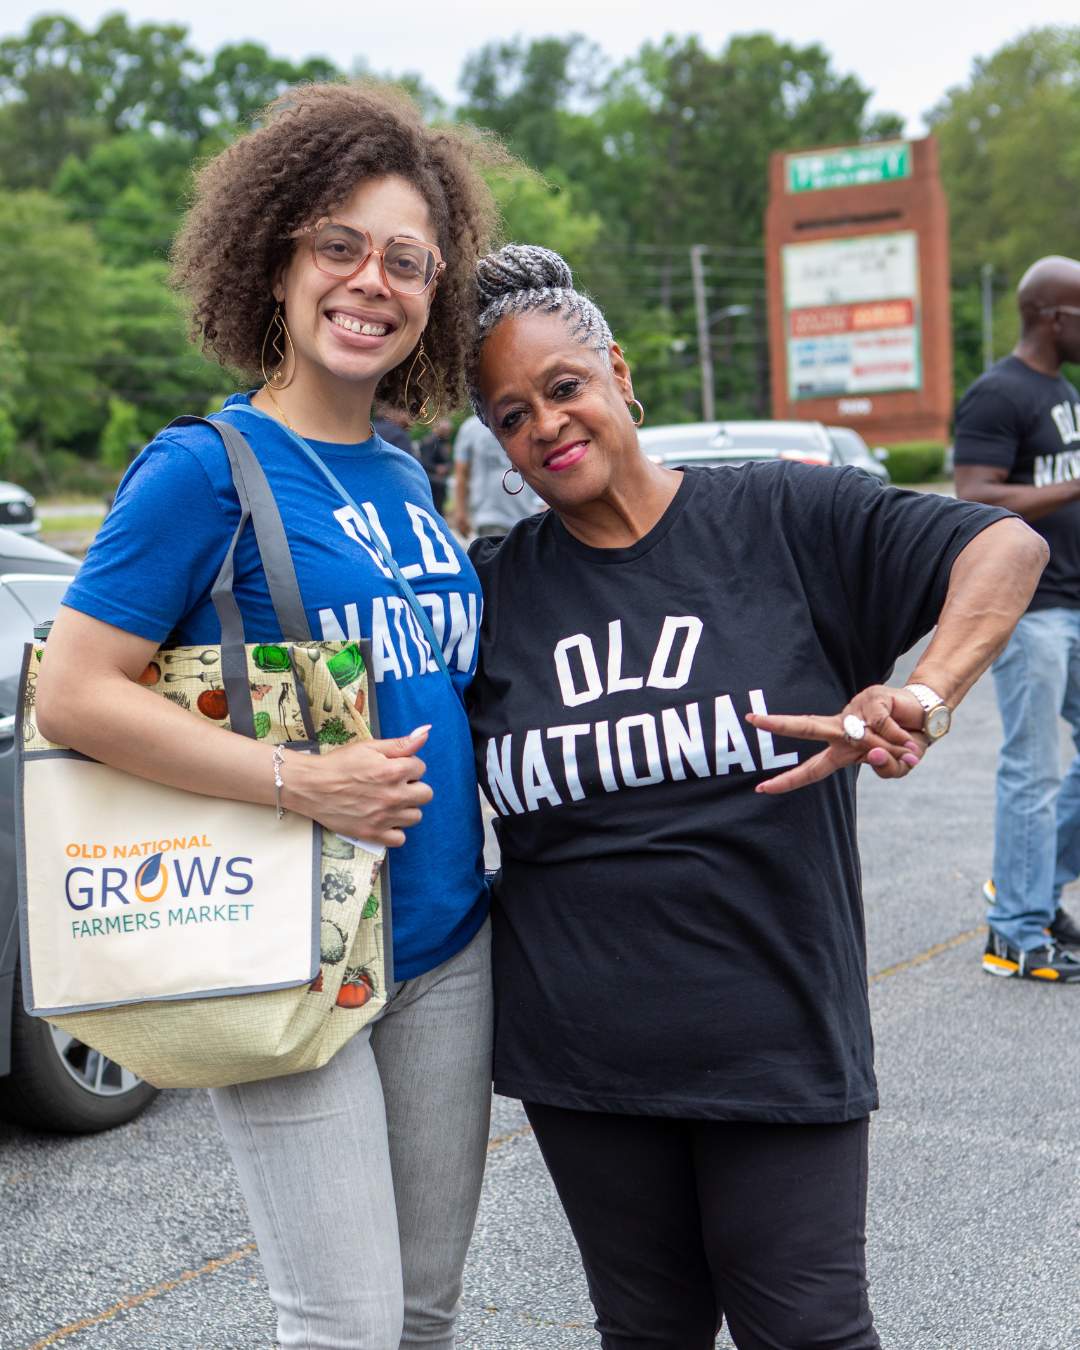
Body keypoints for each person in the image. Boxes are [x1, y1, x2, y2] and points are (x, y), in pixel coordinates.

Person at [464, 245, 1046, 1350]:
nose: (543, 423)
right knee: (648, 1331)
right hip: (583, 1056)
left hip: (773, 1034)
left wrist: (921, 694)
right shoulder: (496, 590)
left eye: (563, 387)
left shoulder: (784, 518)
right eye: (510, 414)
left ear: (619, 371)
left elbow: (1002, 544)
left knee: (810, 1331)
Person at [35, 82, 503, 1350]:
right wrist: (301, 783)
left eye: (407, 260)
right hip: (289, 934)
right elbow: (68, 694)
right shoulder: (203, 468)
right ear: (276, 259)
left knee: (422, 1314)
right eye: (338, 244)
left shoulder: (407, 472)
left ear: (436, 293)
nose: (372, 282)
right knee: (343, 1325)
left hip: (445, 943)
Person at [954, 255, 1080, 982]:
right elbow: (976, 493)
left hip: (1075, 602)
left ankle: (1031, 890)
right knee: (1032, 770)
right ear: (1052, 317)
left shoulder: (1063, 390)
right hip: (1032, 612)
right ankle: (1015, 934)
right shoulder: (998, 393)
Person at [453, 411, 544, 536]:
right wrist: (460, 512)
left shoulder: (524, 420)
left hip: (529, 513)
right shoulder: (470, 428)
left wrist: (546, 502)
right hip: (489, 515)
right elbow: (461, 474)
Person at [417, 417, 454, 515]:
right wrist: (438, 468)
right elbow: (425, 462)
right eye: (446, 431)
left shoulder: (442, 443)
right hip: (433, 481)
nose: (449, 434)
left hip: (440, 482)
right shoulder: (430, 442)